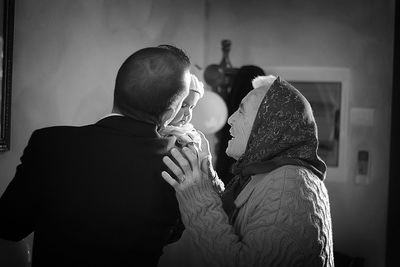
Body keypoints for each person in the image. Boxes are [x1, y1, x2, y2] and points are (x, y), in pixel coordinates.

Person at [0, 44, 192, 266]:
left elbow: (9, 226)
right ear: (169, 113)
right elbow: (172, 233)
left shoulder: (50, 144)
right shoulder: (180, 165)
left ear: (117, 90)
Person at [161, 75, 334, 266]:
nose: (230, 120)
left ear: (268, 125)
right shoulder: (270, 174)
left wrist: (197, 196)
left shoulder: (290, 184)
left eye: (241, 112)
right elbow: (235, 224)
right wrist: (207, 176)